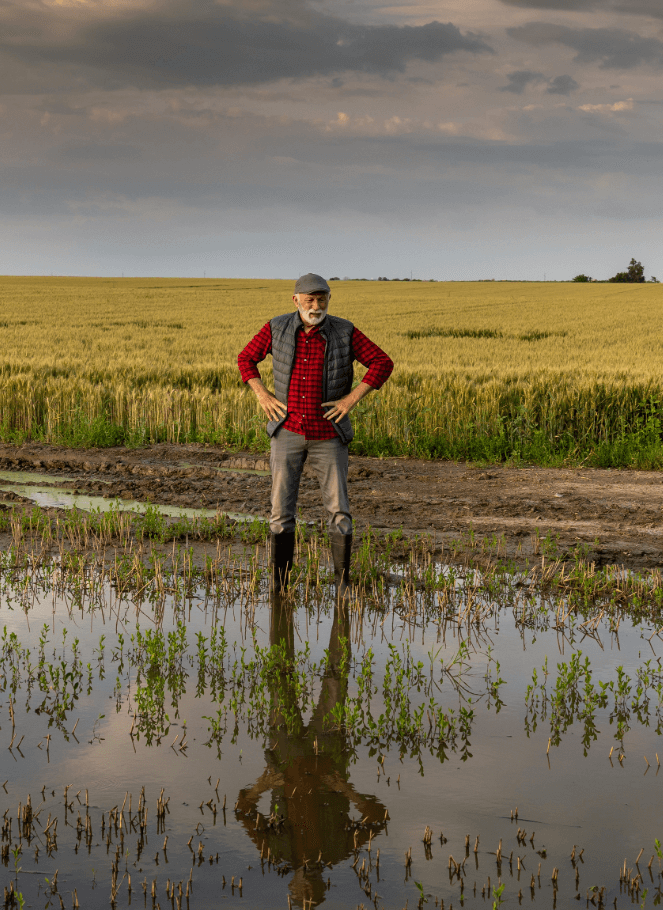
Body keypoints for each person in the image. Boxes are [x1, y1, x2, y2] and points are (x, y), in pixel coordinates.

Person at [237, 273, 393, 591]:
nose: (316, 306)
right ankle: (280, 585)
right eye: (309, 300)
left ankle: (343, 584)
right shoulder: (276, 328)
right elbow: (246, 358)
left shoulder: (344, 331)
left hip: (328, 434)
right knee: (281, 511)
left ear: (329, 299)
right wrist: (262, 395)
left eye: (322, 299)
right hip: (287, 430)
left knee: (339, 511)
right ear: (296, 300)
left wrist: (350, 400)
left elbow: (382, 362)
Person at [234, 595, 387, 906]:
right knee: (336, 676)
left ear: (291, 888)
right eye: (312, 896)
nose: (306, 891)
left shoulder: (275, 853)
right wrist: (346, 790)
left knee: (280, 674)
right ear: (323, 888)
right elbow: (380, 818)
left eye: (300, 896)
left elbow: (241, 810)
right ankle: (342, 596)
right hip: (326, 752)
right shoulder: (338, 851)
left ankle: (279, 591)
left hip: (285, 753)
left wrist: (263, 785)